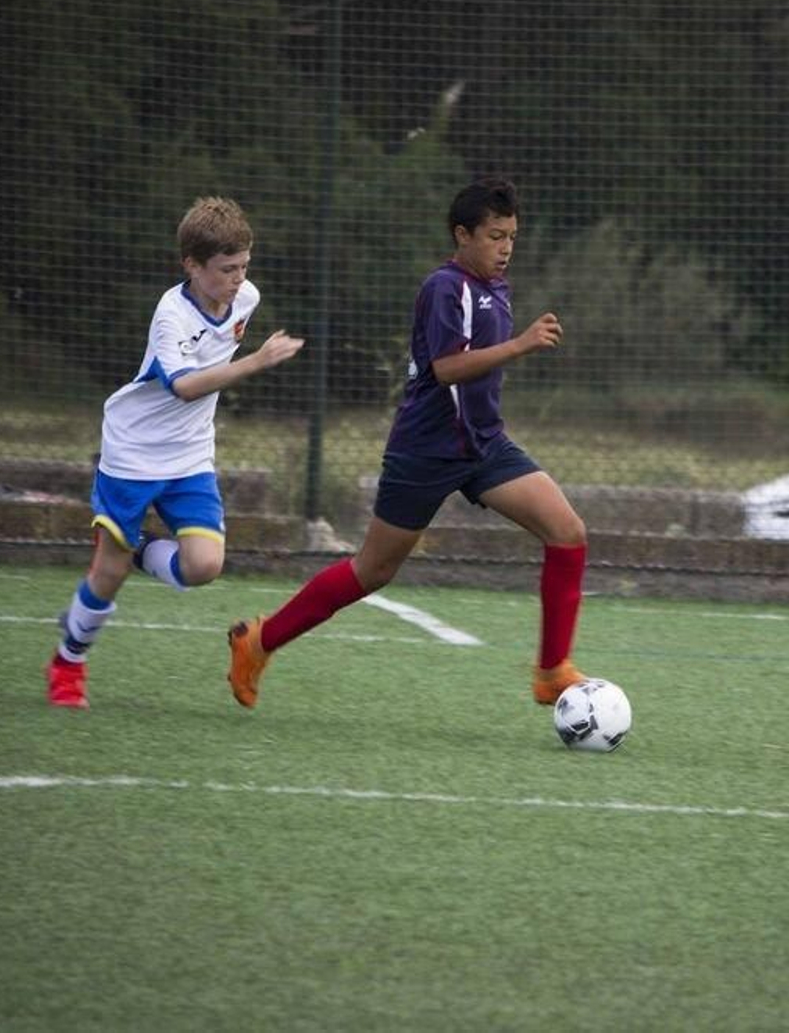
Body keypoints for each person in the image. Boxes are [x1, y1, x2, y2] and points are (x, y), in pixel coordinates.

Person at [223, 176, 589, 710]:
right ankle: (258, 641)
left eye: (511, 236)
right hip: (426, 451)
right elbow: (447, 369)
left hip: (484, 446)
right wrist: (520, 344)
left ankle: (552, 672)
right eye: (495, 236)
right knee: (372, 571)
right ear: (462, 235)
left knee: (568, 532)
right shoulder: (445, 287)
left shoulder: (495, 288)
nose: (506, 247)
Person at [44, 197, 304, 708]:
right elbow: (183, 387)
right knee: (108, 575)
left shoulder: (246, 298)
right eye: (226, 269)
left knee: (204, 565)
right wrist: (257, 362)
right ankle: (68, 662)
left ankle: (137, 548)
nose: (238, 279)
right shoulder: (171, 315)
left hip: (189, 455)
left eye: (244, 266)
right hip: (134, 451)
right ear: (192, 265)